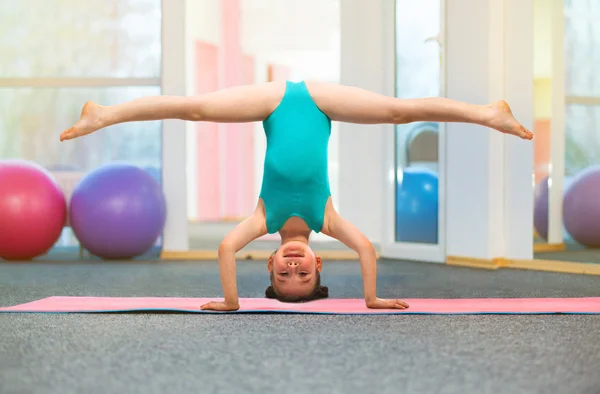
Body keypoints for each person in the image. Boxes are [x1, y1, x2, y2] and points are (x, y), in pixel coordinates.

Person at [60, 80, 533, 311]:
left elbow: (226, 248)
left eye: (283, 275)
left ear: (267, 264)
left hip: (271, 101)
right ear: (318, 263)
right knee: (395, 113)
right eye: (301, 274)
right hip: (324, 100)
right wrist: (371, 298)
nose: (291, 266)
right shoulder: (326, 220)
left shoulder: (262, 220)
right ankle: (487, 113)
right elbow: (366, 248)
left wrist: (231, 302)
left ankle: (104, 114)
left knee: (197, 108)